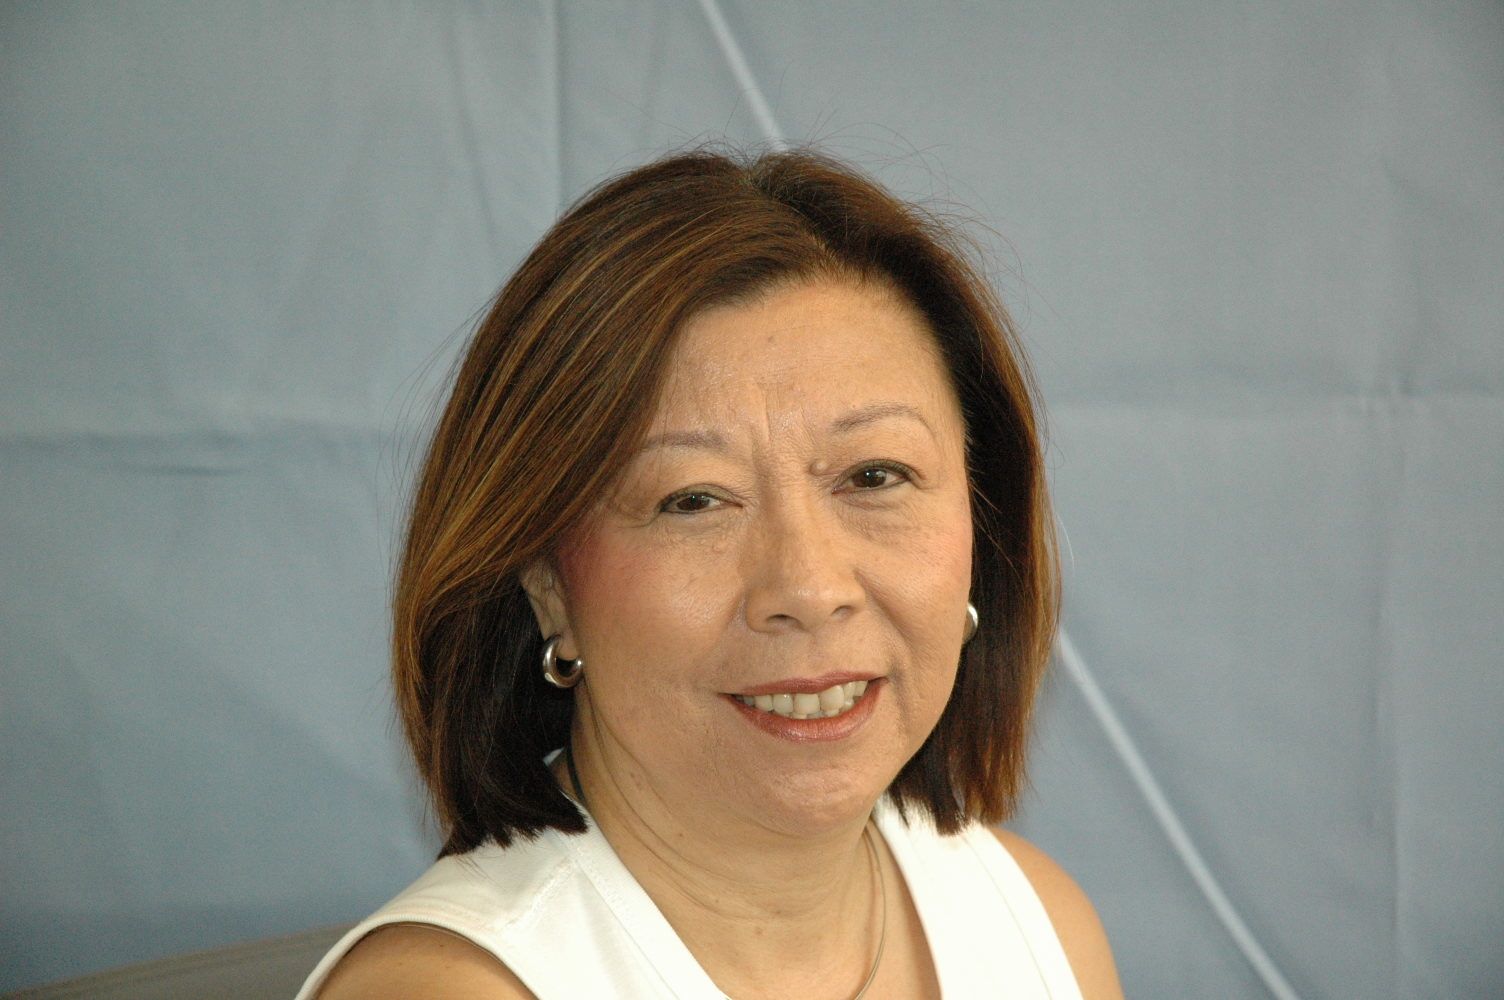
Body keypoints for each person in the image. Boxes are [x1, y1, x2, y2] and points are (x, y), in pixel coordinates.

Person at [298, 147, 1122, 999]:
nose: (809, 590)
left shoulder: (1037, 927)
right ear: (546, 583)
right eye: (693, 500)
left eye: (875, 476)